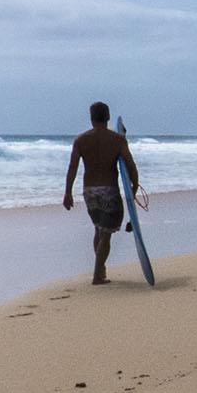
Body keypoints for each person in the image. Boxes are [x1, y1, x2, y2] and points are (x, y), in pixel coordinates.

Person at [63, 101, 140, 284]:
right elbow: (131, 166)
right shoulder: (118, 140)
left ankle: (101, 269)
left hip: (89, 192)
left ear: (91, 118)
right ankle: (97, 275)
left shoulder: (81, 140)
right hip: (109, 191)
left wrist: (68, 193)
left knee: (98, 229)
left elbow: (72, 168)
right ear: (108, 117)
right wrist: (134, 188)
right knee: (105, 234)